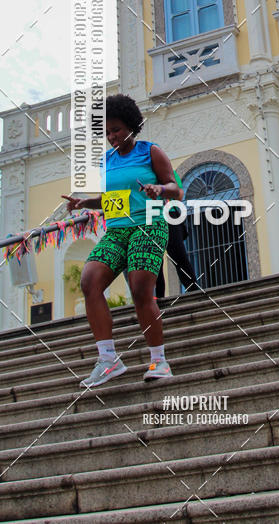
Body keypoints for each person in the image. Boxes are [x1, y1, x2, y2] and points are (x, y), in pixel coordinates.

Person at [62, 94, 182, 387]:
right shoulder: (106, 161)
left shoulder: (150, 151)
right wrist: (84, 202)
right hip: (117, 230)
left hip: (150, 225)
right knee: (90, 281)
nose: (111, 136)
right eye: (106, 132)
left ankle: (159, 361)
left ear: (131, 124)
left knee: (141, 288)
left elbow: (176, 190)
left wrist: (158, 189)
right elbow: (111, 201)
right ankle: (108, 360)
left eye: (116, 129)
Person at [155, 170, 201, 298]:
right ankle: (158, 298)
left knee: (178, 254)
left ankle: (194, 291)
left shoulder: (166, 170)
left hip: (169, 212)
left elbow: (178, 192)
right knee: (155, 259)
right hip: (149, 214)